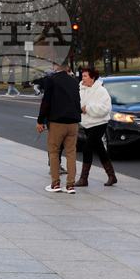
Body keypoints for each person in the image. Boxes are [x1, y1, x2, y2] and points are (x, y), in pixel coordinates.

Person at [37, 61, 81, 193]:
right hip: (73, 122)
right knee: (71, 153)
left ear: (55, 68)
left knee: (54, 152)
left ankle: (55, 184)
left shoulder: (51, 80)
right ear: (68, 68)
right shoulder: (74, 82)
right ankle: (70, 185)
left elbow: (46, 102)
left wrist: (40, 121)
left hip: (57, 122)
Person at [75, 66, 116, 187]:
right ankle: (112, 176)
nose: (83, 78)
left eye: (85, 76)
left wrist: (87, 108)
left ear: (93, 78)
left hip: (99, 123)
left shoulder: (101, 91)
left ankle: (84, 178)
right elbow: (78, 104)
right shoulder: (81, 90)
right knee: (100, 150)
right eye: (82, 76)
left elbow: (105, 109)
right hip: (87, 124)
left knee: (87, 148)